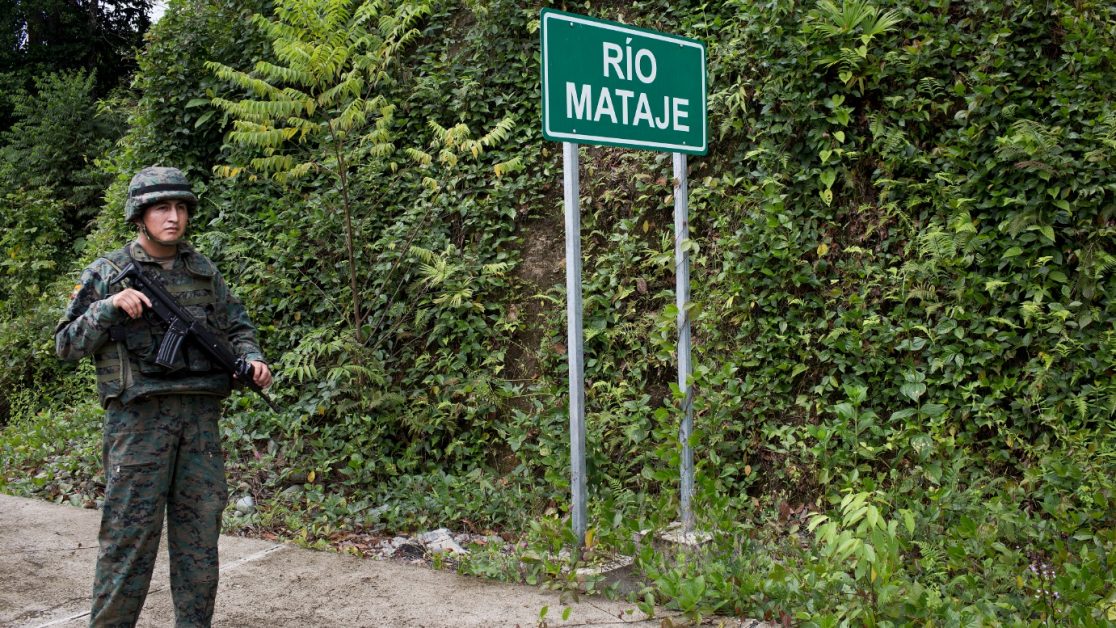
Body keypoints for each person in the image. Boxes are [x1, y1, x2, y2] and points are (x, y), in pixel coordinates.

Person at [55, 166, 273, 627]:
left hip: (199, 422)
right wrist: (107, 308)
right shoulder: (109, 272)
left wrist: (252, 358)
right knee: (128, 541)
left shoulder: (202, 271)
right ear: (140, 215)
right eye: (161, 208)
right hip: (140, 425)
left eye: (179, 208)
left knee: (199, 542)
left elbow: (237, 327)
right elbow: (65, 345)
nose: (173, 217)